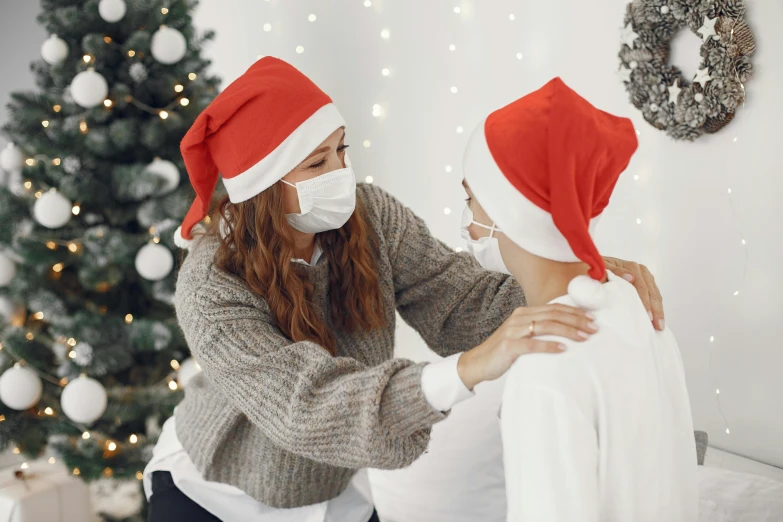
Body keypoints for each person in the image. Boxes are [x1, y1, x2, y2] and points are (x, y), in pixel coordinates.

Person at [142, 57, 667, 522]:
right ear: (262, 185)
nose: (342, 173)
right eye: (317, 163)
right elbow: (306, 407)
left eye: (341, 151)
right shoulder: (210, 285)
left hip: (331, 487)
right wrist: (468, 369)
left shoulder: (370, 218)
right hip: (212, 495)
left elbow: (457, 299)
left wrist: (571, 278)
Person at [460, 77, 698, 522]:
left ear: (507, 210)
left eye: (470, 198)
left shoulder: (544, 363)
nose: (467, 222)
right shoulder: (635, 303)